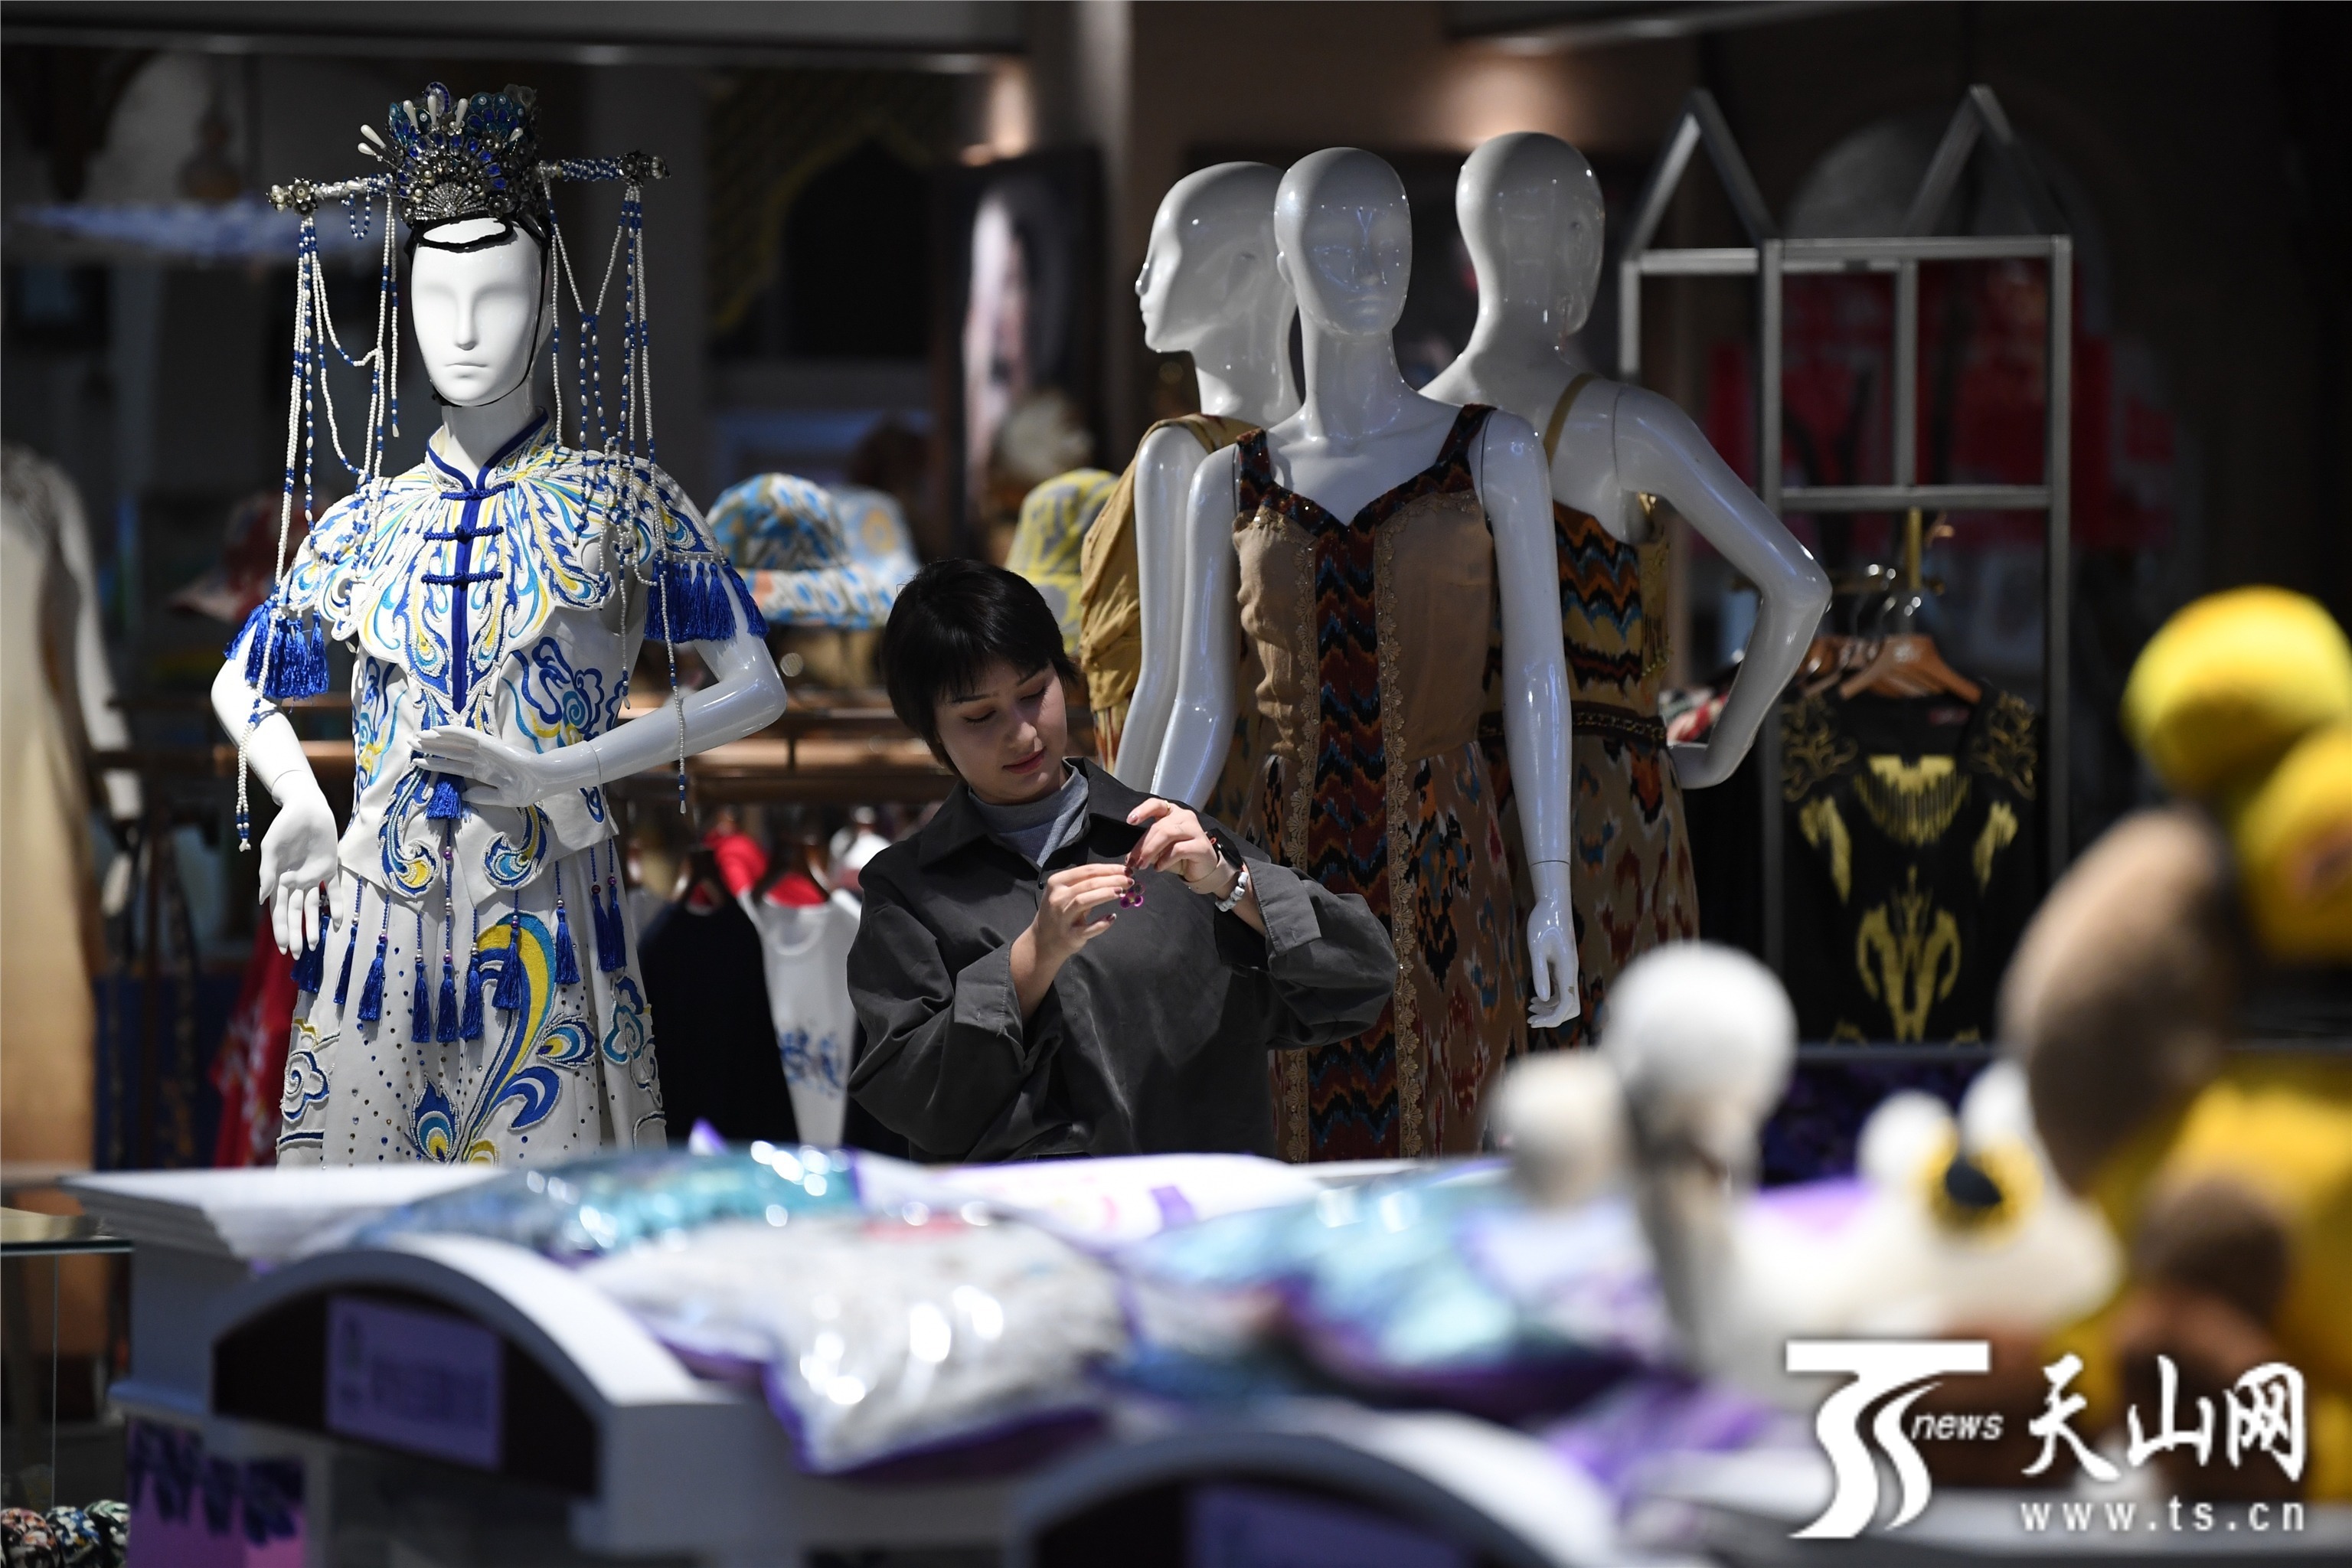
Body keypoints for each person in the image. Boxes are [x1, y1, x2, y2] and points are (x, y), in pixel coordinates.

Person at [847, 560, 1393, 1161]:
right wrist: (1032, 958)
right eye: (980, 716)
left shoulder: (1172, 840)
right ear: (932, 732)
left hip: (1196, 1209)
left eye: (1034, 694)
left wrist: (1232, 884)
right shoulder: (908, 891)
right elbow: (918, 1100)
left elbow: (1362, 981)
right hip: (1025, 1217)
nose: (1022, 733)